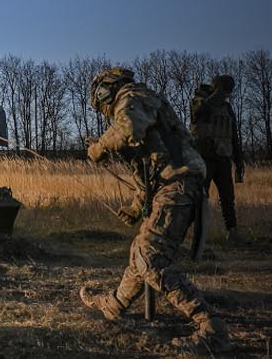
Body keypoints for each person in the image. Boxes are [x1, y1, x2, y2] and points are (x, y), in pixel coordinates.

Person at [78, 66, 230, 354]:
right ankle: (114, 306)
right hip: (171, 185)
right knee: (140, 253)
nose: (104, 111)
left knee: (150, 256)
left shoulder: (132, 97)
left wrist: (99, 148)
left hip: (178, 183)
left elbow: (128, 129)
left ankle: (211, 328)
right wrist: (137, 207)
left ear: (106, 91)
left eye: (101, 104)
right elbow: (148, 171)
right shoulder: (140, 104)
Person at [190, 74, 246, 241]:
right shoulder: (199, 101)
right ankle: (197, 235)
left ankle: (232, 232)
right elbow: (199, 112)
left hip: (223, 157)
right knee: (200, 197)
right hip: (204, 158)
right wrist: (219, 92)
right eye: (226, 90)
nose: (228, 94)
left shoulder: (227, 108)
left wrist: (238, 160)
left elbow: (233, 135)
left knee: (228, 197)